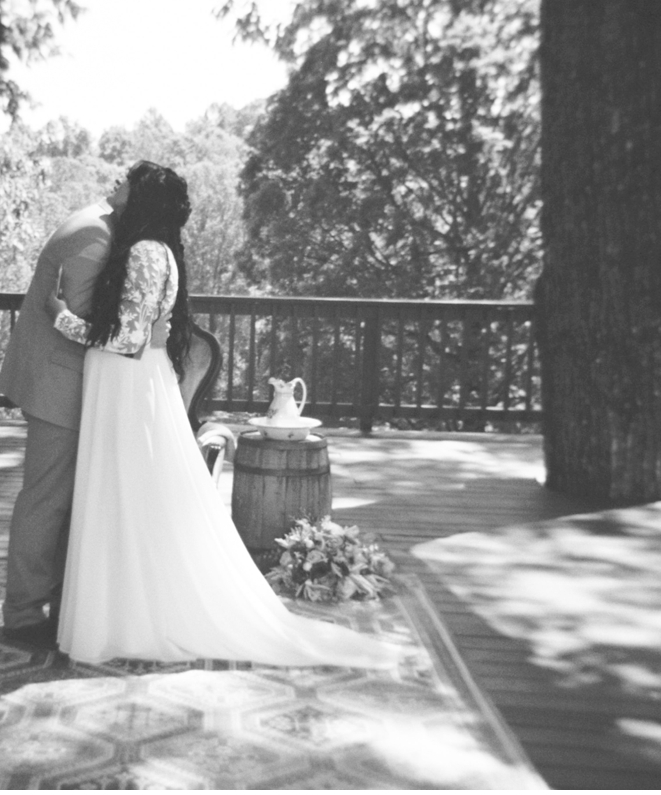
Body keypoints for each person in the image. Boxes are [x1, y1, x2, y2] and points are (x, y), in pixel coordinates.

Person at [47, 162, 401, 668]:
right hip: (127, 381)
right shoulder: (156, 250)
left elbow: (127, 339)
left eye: (126, 180)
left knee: (124, 493)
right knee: (124, 495)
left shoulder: (146, 253)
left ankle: (126, 618)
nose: (116, 185)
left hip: (126, 381)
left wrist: (58, 316)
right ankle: (122, 611)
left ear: (143, 198)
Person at [0, 164, 166, 646]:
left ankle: (57, 601)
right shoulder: (94, 232)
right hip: (59, 384)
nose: (119, 179)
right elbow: (90, 322)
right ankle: (23, 614)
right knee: (46, 501)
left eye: (129, 178)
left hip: (68, 382)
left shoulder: (104, 224)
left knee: (65, 500)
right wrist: (146, 331)